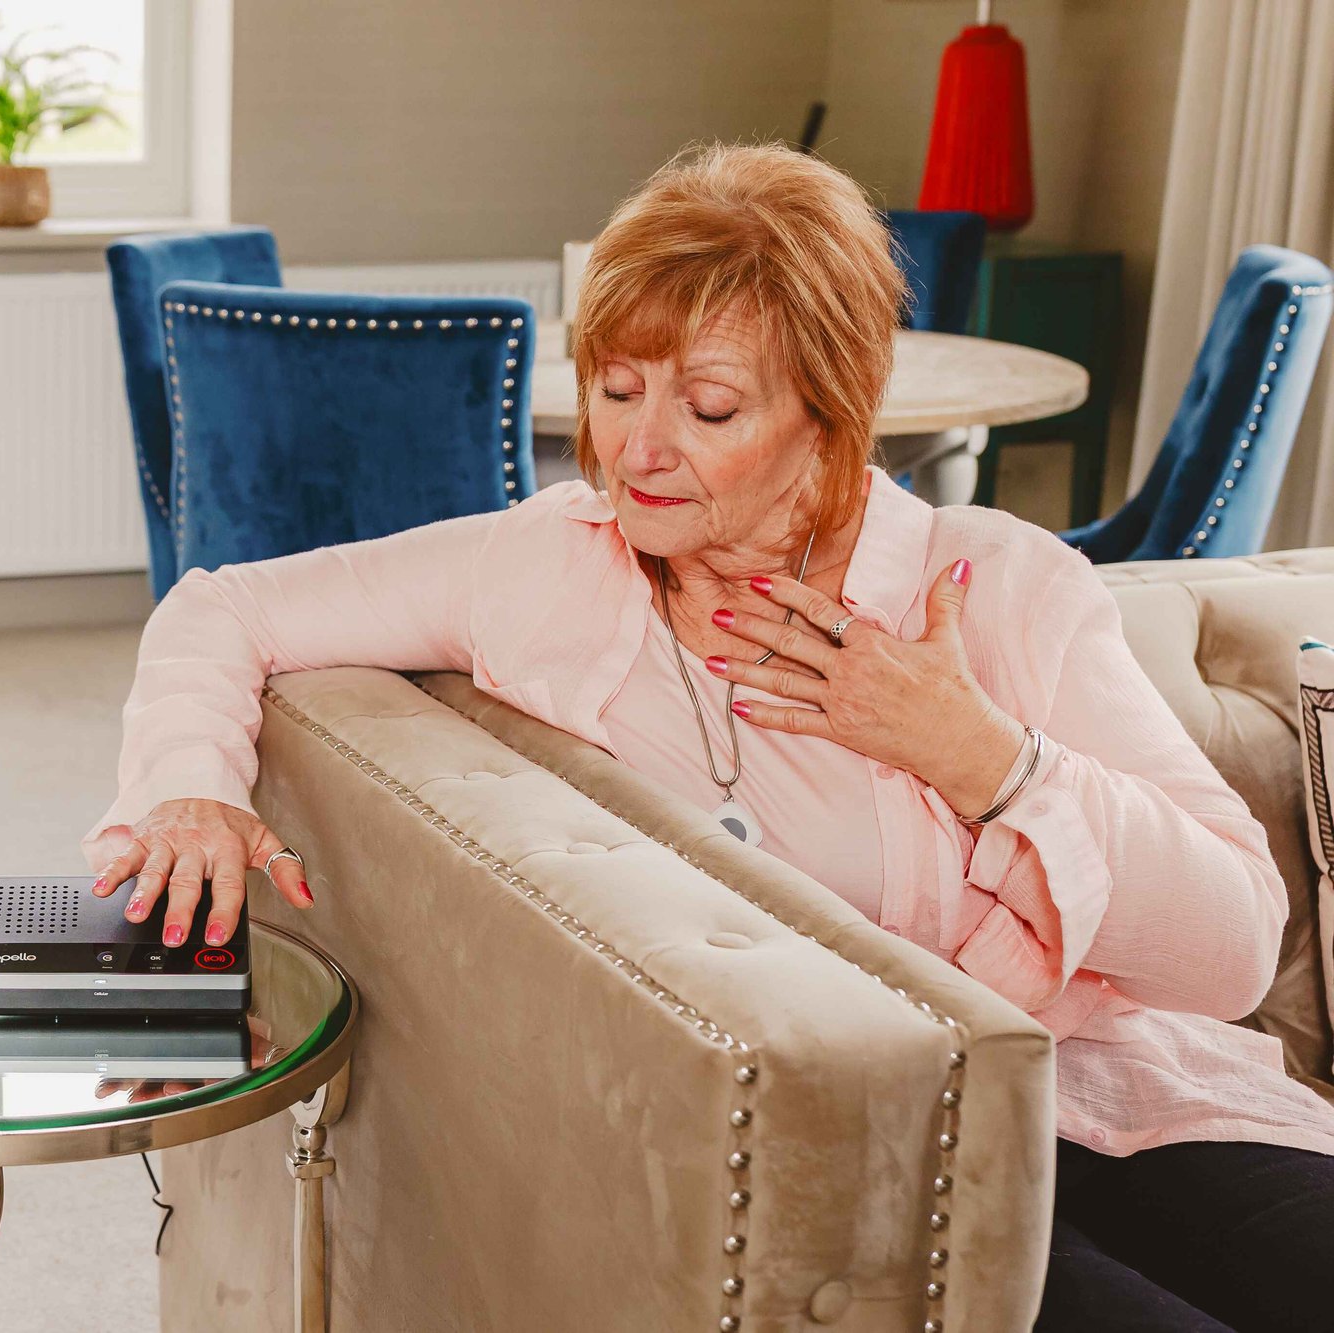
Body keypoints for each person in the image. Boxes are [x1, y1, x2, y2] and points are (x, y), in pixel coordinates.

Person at [81, 141, 1334, 1330]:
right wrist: (188, 791)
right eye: (616, 389)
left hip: (1117, 1092)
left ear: (829, 416)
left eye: (711, 406)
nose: (637, 448)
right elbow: (225, 605)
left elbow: (1230, 955)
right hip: (875, 1153)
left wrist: (980, 759)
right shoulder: (547, 566)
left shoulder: (996, 587)